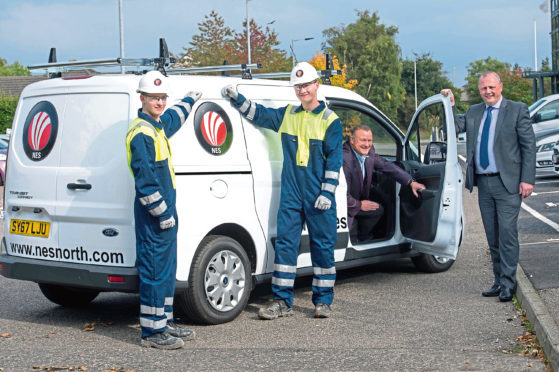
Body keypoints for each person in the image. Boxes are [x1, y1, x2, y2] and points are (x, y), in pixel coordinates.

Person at [221, 62, 342, 319]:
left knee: (323, 246)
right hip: (292, 191)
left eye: (306, 85)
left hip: (317, 193)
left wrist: (327, 192)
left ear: (317, 85)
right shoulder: (289, 114)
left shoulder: (330, 120)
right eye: (298, 87)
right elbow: (261, 115)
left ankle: (323, 302)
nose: (302, 90)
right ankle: (282, 302)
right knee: (286, 246)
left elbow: (334, 160)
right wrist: (237, 99)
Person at [441, 71, 536, 302]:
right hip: (484, 183)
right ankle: (498, 280)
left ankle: (508, 284)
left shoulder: (516, 109)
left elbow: (528, 147)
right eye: (484, 88)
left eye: (492, 87)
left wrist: (527, 179)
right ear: (480, 90)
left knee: (507, 235)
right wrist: (450, 104)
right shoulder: (474, 111)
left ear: (500, 87)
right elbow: (453, 127)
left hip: (508, 183)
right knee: (492, 236)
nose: (488, 92)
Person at [126, 70, 202, 349]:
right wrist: (163, 214)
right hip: (154, 216)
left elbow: (173, 118)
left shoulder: (156, 125)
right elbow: (145, 184)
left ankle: (165, 322)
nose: (159, 102)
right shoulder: (141, 133)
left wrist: (189, 102)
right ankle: (152, 332)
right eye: (154, 98)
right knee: (155, 271)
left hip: (165, 214)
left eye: (162, 98)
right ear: (142, 98)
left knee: (167, 270)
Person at [344, 125, 425, 243]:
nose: (367, 144)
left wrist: (410, 182)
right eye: (362, 140)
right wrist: (359, 205)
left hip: (355, 200)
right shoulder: (345, 159)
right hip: (344, 207)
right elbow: (339, 194)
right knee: (364, 217)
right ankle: (356, 240)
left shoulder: (368, 152)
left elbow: (386, 166)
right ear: (352, 140)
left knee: (378, 209)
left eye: (369, 140)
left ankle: (363, 239)